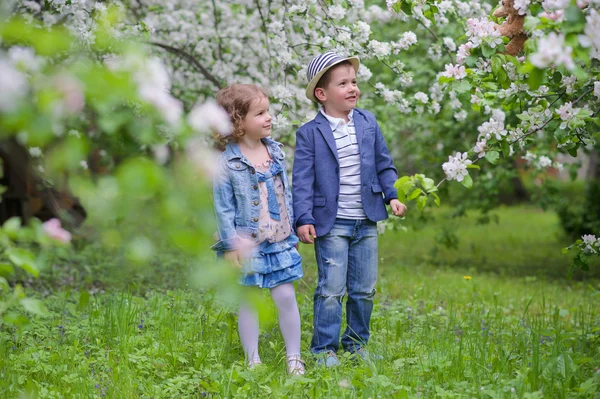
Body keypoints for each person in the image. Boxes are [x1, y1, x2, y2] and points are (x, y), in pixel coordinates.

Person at [292, 51, 407, 367]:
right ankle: (324, 349)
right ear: (322, 93)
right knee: (330, 289)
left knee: (364, 289)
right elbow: (301, 180)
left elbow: (384, 164)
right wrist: (302, 218)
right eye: (343, 83)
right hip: (332, 223)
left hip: (366, 220)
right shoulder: (310, 133)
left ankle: (357, 344)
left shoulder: (368, 122)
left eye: (354, 81)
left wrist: (392, 196)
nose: (353, 88)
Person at [211, 84, 305, 375]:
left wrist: (290, 232)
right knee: (249, 301)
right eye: (260, 113)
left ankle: (294, 359)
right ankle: (253, 361)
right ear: (238, 122)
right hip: (247, 242)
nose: (269, 118)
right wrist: (230, 246)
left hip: (278, 238)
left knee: (286, 296)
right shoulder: (226, 162)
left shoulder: (275, 152)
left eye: (268, 111)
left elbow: (284, 193)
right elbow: (223, 208)